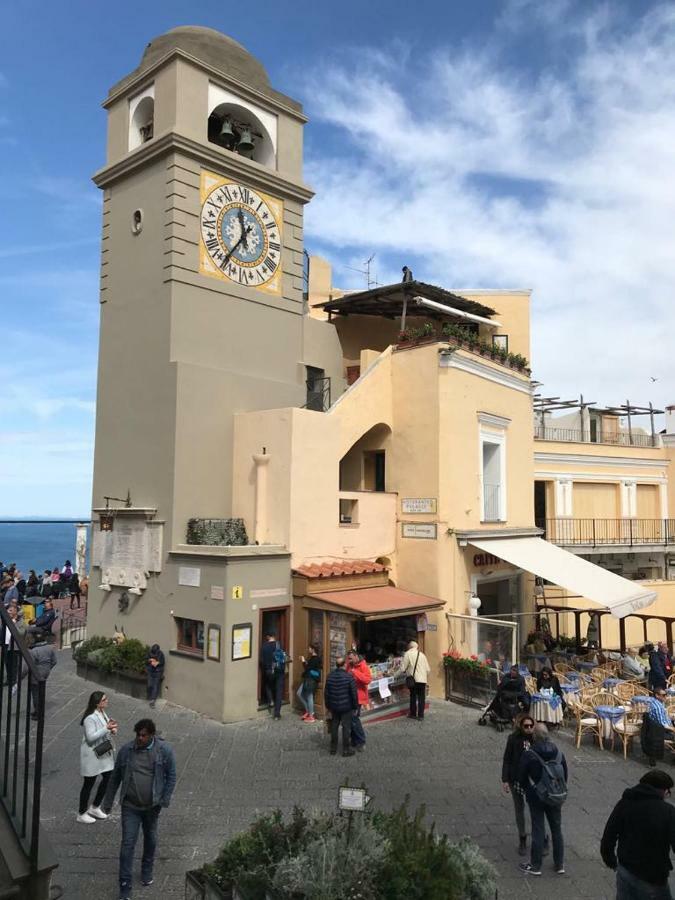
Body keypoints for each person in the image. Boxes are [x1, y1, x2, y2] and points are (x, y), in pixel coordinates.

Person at [102, 719, 176, 900]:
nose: (140, 738)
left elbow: (171, 775)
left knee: (150, 838)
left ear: (151, 735)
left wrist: (164, 800)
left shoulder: (164, 751)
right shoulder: (127, 751)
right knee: (127, 845)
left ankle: (146, 869)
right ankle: (125, 886)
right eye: (138, 735)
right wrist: (107, 803)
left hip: (152, 806)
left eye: (144, 735)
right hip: (130, 806)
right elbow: (115, 778)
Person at [601, 769, 675, 900]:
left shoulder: (625, 802)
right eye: (668, 792)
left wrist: (610, 860)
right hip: (653, 878)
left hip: (625, 870)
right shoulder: (668, 812)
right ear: (662, 790)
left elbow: (609, 833)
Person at [518, 723, 567, 876]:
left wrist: (529, 790)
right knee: (556, 829)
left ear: (534, 736)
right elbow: (564, 775)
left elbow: (521, 776)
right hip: (554, 795)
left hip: (536, 796)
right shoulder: (558, 753)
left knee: (538, 829)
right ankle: (559, 864)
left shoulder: (529, 754)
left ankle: (535, 865)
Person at [78, 691, 118, 824]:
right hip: (92, 755)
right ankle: (82, 813)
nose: (107, 701)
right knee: (89, 784)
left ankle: (95, 807)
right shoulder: (90, 718)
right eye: (104, 699)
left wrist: (111, 729)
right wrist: (106, 728)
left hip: (102, 752)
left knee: (108, 777)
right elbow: (90, 738)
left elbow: (103, 729)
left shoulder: (102, 712)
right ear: (97, 702)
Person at [502, 714, 536, 856]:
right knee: (519, 809)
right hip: (515, 778)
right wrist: (504, 779)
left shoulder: (536, 739)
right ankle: (522, 837)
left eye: (531, 726)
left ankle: (541, 838)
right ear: (521, 727)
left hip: (531, 780)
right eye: (525, 726)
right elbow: (507, 759)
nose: (528, 729)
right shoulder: (513, 739)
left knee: (535, 810)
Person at [324, 657, 358, 757]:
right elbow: (354, 694)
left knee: (334, 726)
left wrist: (328, 706)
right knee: (346, 727)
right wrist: (355, 706)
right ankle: (345, 750)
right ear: (344, 665)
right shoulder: (349, 677)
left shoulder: (330, 676)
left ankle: (333, 749)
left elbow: (326, 693)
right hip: (346, 707)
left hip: (334, 707)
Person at [22, 629, 57, 719]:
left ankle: (38, 713)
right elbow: (54, 661)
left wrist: (21, 676)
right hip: (46, 672)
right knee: (41, 691)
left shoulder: (34, 651)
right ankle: (37, 710)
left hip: (36, 674)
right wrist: (47, 668)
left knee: (35, 693)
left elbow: (27, 666)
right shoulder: (49, 648)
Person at [641, 688, 675, 767]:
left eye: (665, 694)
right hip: (659, 731)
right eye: (663, 695)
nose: (665, 697)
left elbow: (663, 717)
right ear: (657, 695)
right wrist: (673, 729)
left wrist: (671, 718)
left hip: (656, 729)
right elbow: (663, 724)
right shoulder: (657, 707)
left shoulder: (656, 702)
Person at [346, 649, 371, 751]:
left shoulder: (363, 666)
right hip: (349, 696)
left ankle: (361, 741)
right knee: (350, 718)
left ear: (356, 656)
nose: (349, 660)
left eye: (351, 658)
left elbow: (367, 680)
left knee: (354, 718)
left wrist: (355, 672)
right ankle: (354, 740)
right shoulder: (349, 665)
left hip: (358, 698)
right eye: (348, 659)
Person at [401, 640, 431, 720]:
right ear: (416, 647)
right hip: (422, 680)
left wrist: (394, 675)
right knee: (421, 698)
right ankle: (421, 716)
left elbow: (403, 668)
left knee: (413, 696)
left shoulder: (407, 654)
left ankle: (413, 714)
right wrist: (423, 676)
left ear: (410, 647)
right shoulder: (422, 655)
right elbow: (428, 670)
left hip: (413, 680)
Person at [260, 633, 286, 719]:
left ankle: (270, 700)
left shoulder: (264, 647)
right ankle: (277, 714)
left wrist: (266, 668)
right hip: (279, 670)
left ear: (268, 637)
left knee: (267, 685)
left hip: (269, 671)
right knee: (279, 692)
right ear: (274, 636)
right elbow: (283, 657)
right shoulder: (279, 644)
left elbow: (262, 661)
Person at [297, 643, 322, 723]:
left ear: (313, 649)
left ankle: (311, 716)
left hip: (311, 680)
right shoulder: (313, 658)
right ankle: (308, 711)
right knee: (299, 693)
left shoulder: (316, 658)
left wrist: (303, 661)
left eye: (309, 648)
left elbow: (307, 668)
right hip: (308, 679)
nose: (308, 649)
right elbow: (309, 667)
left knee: (309, 696)